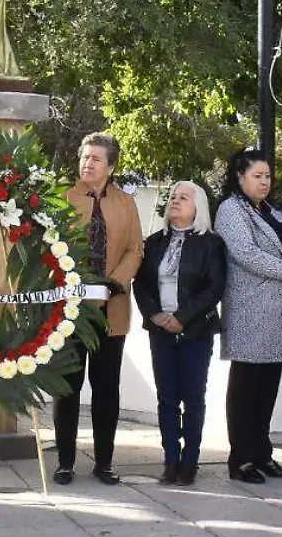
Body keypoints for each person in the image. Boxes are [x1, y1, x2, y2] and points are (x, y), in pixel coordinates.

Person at [214, 147, 282, 483]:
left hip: (279, 311)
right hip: (249, 310)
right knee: (245, 387)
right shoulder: (231, 210)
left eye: (267, 175)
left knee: (268, 386)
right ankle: (240, 458)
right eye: (257, 176)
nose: (264, 181)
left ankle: (262, 454)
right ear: (240, 178)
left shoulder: (273, 211)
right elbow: (245, 253)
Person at [56, 132, 144, 485]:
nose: (87, 164)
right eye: (84, 157)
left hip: (112, 307)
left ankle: (104, 463)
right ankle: (64, 462)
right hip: (70, 310)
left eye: (95, 159)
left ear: (110, 166)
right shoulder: (61, 198)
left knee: (106, 388)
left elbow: (135, 249)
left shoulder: (125, 203)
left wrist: (116, 282)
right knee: (68, 387)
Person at [133, 180, 227, 486]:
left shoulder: (211, 244)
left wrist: (182, 318)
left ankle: (190, 462)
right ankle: (170, 460)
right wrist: (156, 315)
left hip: (195, 330)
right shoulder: (154, 242)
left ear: (197, 206)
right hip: (160, 330)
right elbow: (142, 283)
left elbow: (213, 287)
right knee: (167, 398)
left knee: (193, 397)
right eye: (173, 196)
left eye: (183, 197)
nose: (175, 201)